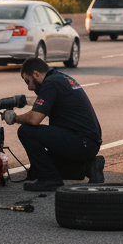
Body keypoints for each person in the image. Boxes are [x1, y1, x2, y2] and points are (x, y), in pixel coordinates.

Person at [10, 57, 104, 191]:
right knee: (40, 168)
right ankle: (89, 167)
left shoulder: (51, 83)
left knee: (26, 131)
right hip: (87, 142)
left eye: (28, 81)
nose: (29, 87)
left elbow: (34, 119)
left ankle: (50, 180)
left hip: (81, 141)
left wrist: (14, 118)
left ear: (36, 74)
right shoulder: (59, 78)